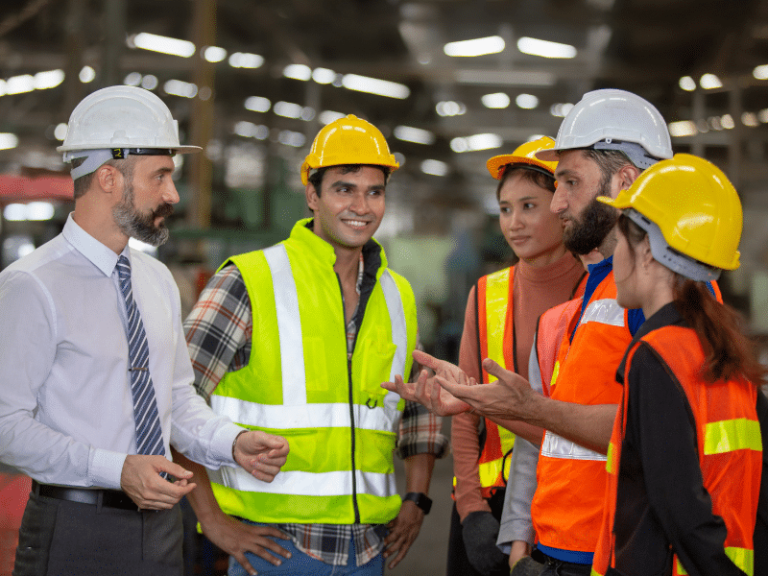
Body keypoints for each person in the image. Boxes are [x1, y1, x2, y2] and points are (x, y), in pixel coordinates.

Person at [384, 89, 713, 574]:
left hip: (617, 550)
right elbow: (563, 431)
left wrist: (524, 407)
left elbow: (648, 432)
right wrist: (483, 403)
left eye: (569, 183)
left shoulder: (663, 289)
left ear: (625, 181)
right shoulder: (597, 294)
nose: (558, 204)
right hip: (566, 546)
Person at [0, 85, 289, 576]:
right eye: (161, 176)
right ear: (109, 177)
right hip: (73, 532)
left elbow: (175, 400)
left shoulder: (156, 280)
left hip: (160, 531)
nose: (173, 194)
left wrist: (230, 443)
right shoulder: (31, 285)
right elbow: (5, 427)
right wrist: (115, 469)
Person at [178, 114, 448, 576]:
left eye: (375, 191)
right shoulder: (248, 280)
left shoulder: (395, 294)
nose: (361, 205)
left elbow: (417, 408)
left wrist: (417, 497)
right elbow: (174, 400)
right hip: (275, 549)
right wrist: (213, 522)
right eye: (344, 188)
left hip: (367, 551)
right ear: (312, 195)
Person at [590, 154, 764, 576]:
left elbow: (681, 513)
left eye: (619, 242)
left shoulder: (655, 357)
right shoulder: (728, 355)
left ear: (647, 250)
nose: (613, 260)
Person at [448, 137, 586, 576]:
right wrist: (471, 510)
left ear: (563, 205)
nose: (514, 223)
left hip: (565, 502)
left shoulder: (600, 294)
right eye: (505, 209)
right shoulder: (486, 294)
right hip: (486, 504)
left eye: (529, 206)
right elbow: (465, 407)